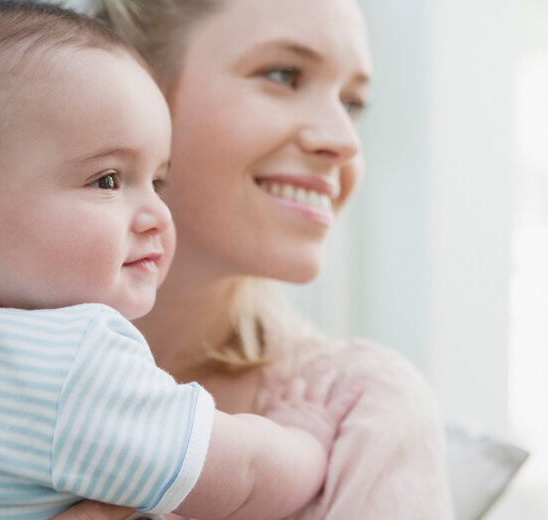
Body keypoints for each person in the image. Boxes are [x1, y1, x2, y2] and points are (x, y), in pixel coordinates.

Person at [0, 2, 364, 519]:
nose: (156, 213)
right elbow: (245, 475)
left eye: (159, 181)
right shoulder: (77, 365)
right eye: (107, 180)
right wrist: (306, 436)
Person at [60, 0, 455, 518]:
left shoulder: (358, 410)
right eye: (284, 75)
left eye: (353, 104)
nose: (342, 141)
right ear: (131, 90)